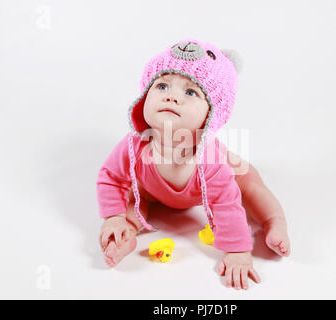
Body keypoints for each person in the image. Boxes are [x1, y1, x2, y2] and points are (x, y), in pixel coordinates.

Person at [96, 38, 290, 290]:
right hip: (151, 189)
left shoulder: (211, 161)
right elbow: (111, 177)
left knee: (250, 186)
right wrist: (113, 216)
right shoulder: (134, 146)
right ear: (144, 97)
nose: (171, 98)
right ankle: (125, 235)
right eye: (162, 85)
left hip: (224, 177)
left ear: (211, 114)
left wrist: (237, 251)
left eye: (190, 92)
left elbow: (225, 203)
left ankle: (274, 222)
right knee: (132, 203)